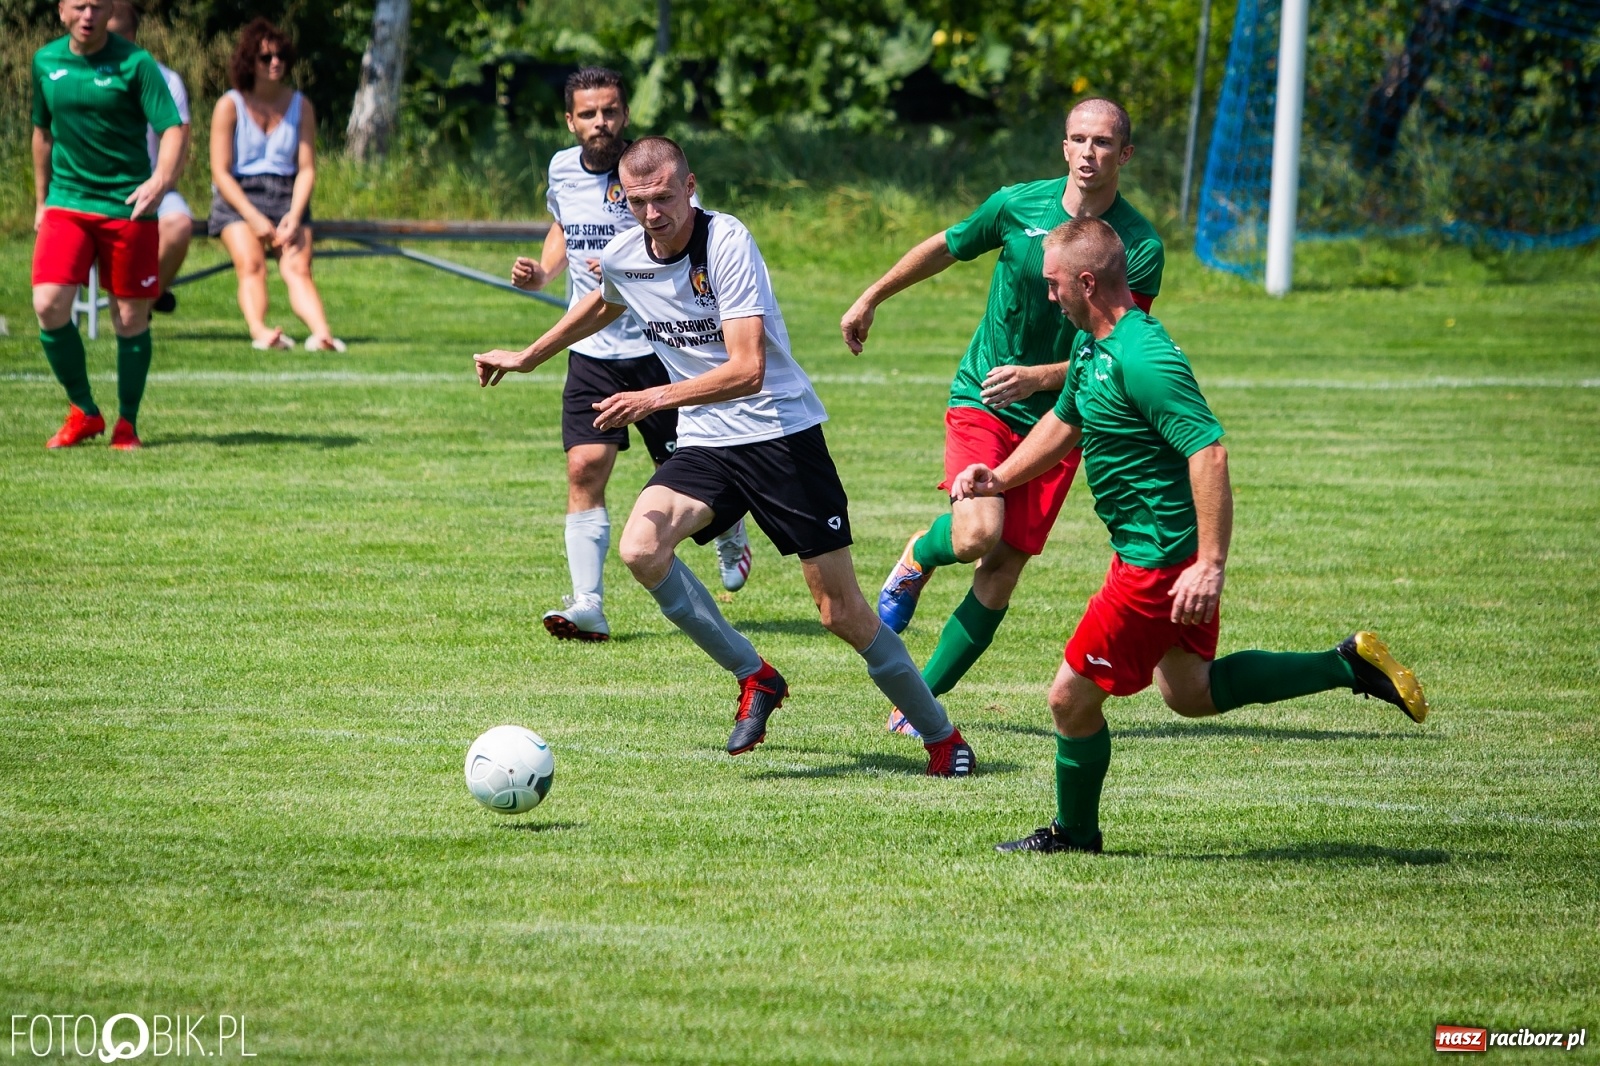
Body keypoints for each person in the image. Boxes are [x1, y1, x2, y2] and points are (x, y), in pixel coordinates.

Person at [476, 137, 976, 776]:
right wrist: (528, 356)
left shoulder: (726, 242)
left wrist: (651, 397)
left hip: (779, 435)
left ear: (689, 187)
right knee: (641, 549)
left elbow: (747, 369)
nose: (652, 214)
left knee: (840, 612)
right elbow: (602, 303)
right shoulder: (626, 253)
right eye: (638, 202)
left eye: (663, 198)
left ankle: (943, 738)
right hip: (707, 440)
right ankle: (755, 676)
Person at [947, 218, 1430, 853]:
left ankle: (1075, 834)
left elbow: (1209, 453)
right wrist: (999, 478)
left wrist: (1210, 564)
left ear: (1087, 283)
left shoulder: (1142, 356)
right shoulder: (1093, 345)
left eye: (1054, 283)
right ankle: (1347, 664)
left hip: (1157, 562)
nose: (1048, 294)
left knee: (1068, 700)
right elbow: (1065, 423)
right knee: (1190, 692)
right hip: (1155, 553)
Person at [839, 98, 1163, 736]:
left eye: (1103, 142)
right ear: (1064, 147)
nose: (1089, 152)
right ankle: (921, 554)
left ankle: (919, 702)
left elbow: (1119, 348)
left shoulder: (1140, 244)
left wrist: (1039, 378)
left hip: (1063, 418)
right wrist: (872, 295)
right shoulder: (1017, 205)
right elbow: (947, 245)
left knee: (1003, 570)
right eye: (1078, 139)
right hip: (984, 397)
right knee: (975, 535)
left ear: (1124, 154)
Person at [509, 67, 752, 643]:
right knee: (584, 467)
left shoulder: (650, 173)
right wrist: (544, 272)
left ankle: (729, 527)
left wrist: (633, 264)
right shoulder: (561, 169)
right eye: (588, 114)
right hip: (592, 350)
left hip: (657, 349)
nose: (601, 122)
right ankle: (587, 604)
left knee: (691, 470)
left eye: (610, 111)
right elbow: (563, 226)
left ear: (624, 113)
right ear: (570, 120)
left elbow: (688, 240)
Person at [31, 0, 184, 451]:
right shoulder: (45, 62)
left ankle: (127, 424)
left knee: (130, 316)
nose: (88, 15)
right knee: (48, 304)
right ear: (61, 11)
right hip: (67, 203)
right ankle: (84, 410)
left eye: (97, 7)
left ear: (109, 12)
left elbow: (172, 129)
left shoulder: (136, 63)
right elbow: (42, 133)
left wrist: (161, 181)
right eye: (79, 6)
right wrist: (41, 200)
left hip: (126, 207)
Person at [208, 18, 344, 352]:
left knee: (297, 266)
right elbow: (220, 172)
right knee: (251, 264)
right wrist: (252, 217)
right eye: (266, 57)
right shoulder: (230, 105)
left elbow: (307, 170)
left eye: (281, 56)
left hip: (287, 197)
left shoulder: (301, 105)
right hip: (238, 198)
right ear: (249, 62)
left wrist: (295, 216)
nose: (275, 63)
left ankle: (322, 334)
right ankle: (261, 331)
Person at [106, 0, 190, 315]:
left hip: (152, 186)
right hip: (92, 191)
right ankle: (135, 302)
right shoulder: (73, 74)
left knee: (178, 224)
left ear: (131, 36)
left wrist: (159, 185)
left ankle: (142, 303)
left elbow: (179, 144)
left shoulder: (164, 80)